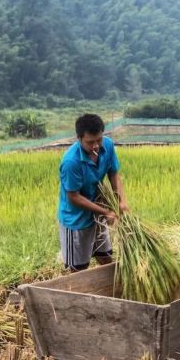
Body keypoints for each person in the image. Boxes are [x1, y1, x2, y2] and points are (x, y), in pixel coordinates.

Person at [58, 114, 128, 272]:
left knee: (105, 256)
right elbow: (74, 197)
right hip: (77, 219)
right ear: (79, 138)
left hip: (98, 211)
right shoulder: (71, 162)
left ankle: (111, 291)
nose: (96, 146)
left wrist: (121, 201)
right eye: (90, 142)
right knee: (78, 268)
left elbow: (113, 174)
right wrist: (106, 212)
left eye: (99, 139)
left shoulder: (108, 145)